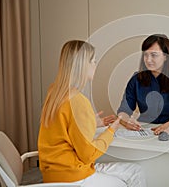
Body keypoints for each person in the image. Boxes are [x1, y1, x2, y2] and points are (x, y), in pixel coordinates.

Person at [38, 40, 146, 187]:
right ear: (83, 65)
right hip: (74, 177)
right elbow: (88, 154)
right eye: (93, 62)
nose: (95, 66)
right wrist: (111, 130)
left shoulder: (54, 92)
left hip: (52, 176)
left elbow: (63, 129)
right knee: (135, 172)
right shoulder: (78, 101)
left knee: (132, 171)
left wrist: (92, 123)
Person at [117, 34, 169, 135]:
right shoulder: (136, 79)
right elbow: (124, 110)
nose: (148, 60)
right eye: (145, 54)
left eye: (154, 55)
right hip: (144, 130)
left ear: (166, 56)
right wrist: (127, 121)